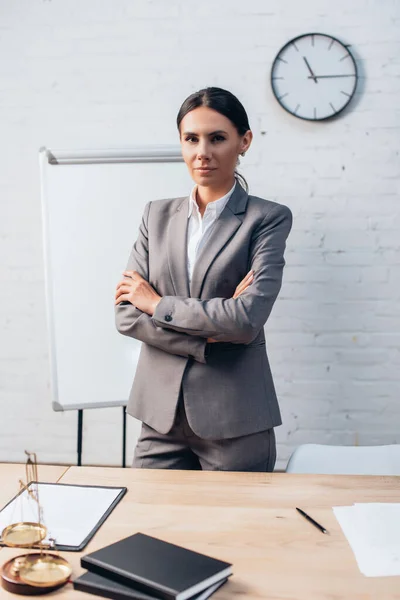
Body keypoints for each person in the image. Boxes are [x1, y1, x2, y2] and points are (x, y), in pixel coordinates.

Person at [115, 87, 292, 471]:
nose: (202, 152)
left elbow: (245, 320)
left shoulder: (267, 219)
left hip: (234, 417)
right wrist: (209, 333)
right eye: (191, 138)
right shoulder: (155, 216)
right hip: (159, 415)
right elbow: (127, 315)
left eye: (217, 138)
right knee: (148, 523)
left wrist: (157, 305)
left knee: (235, 529)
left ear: (244, 142)